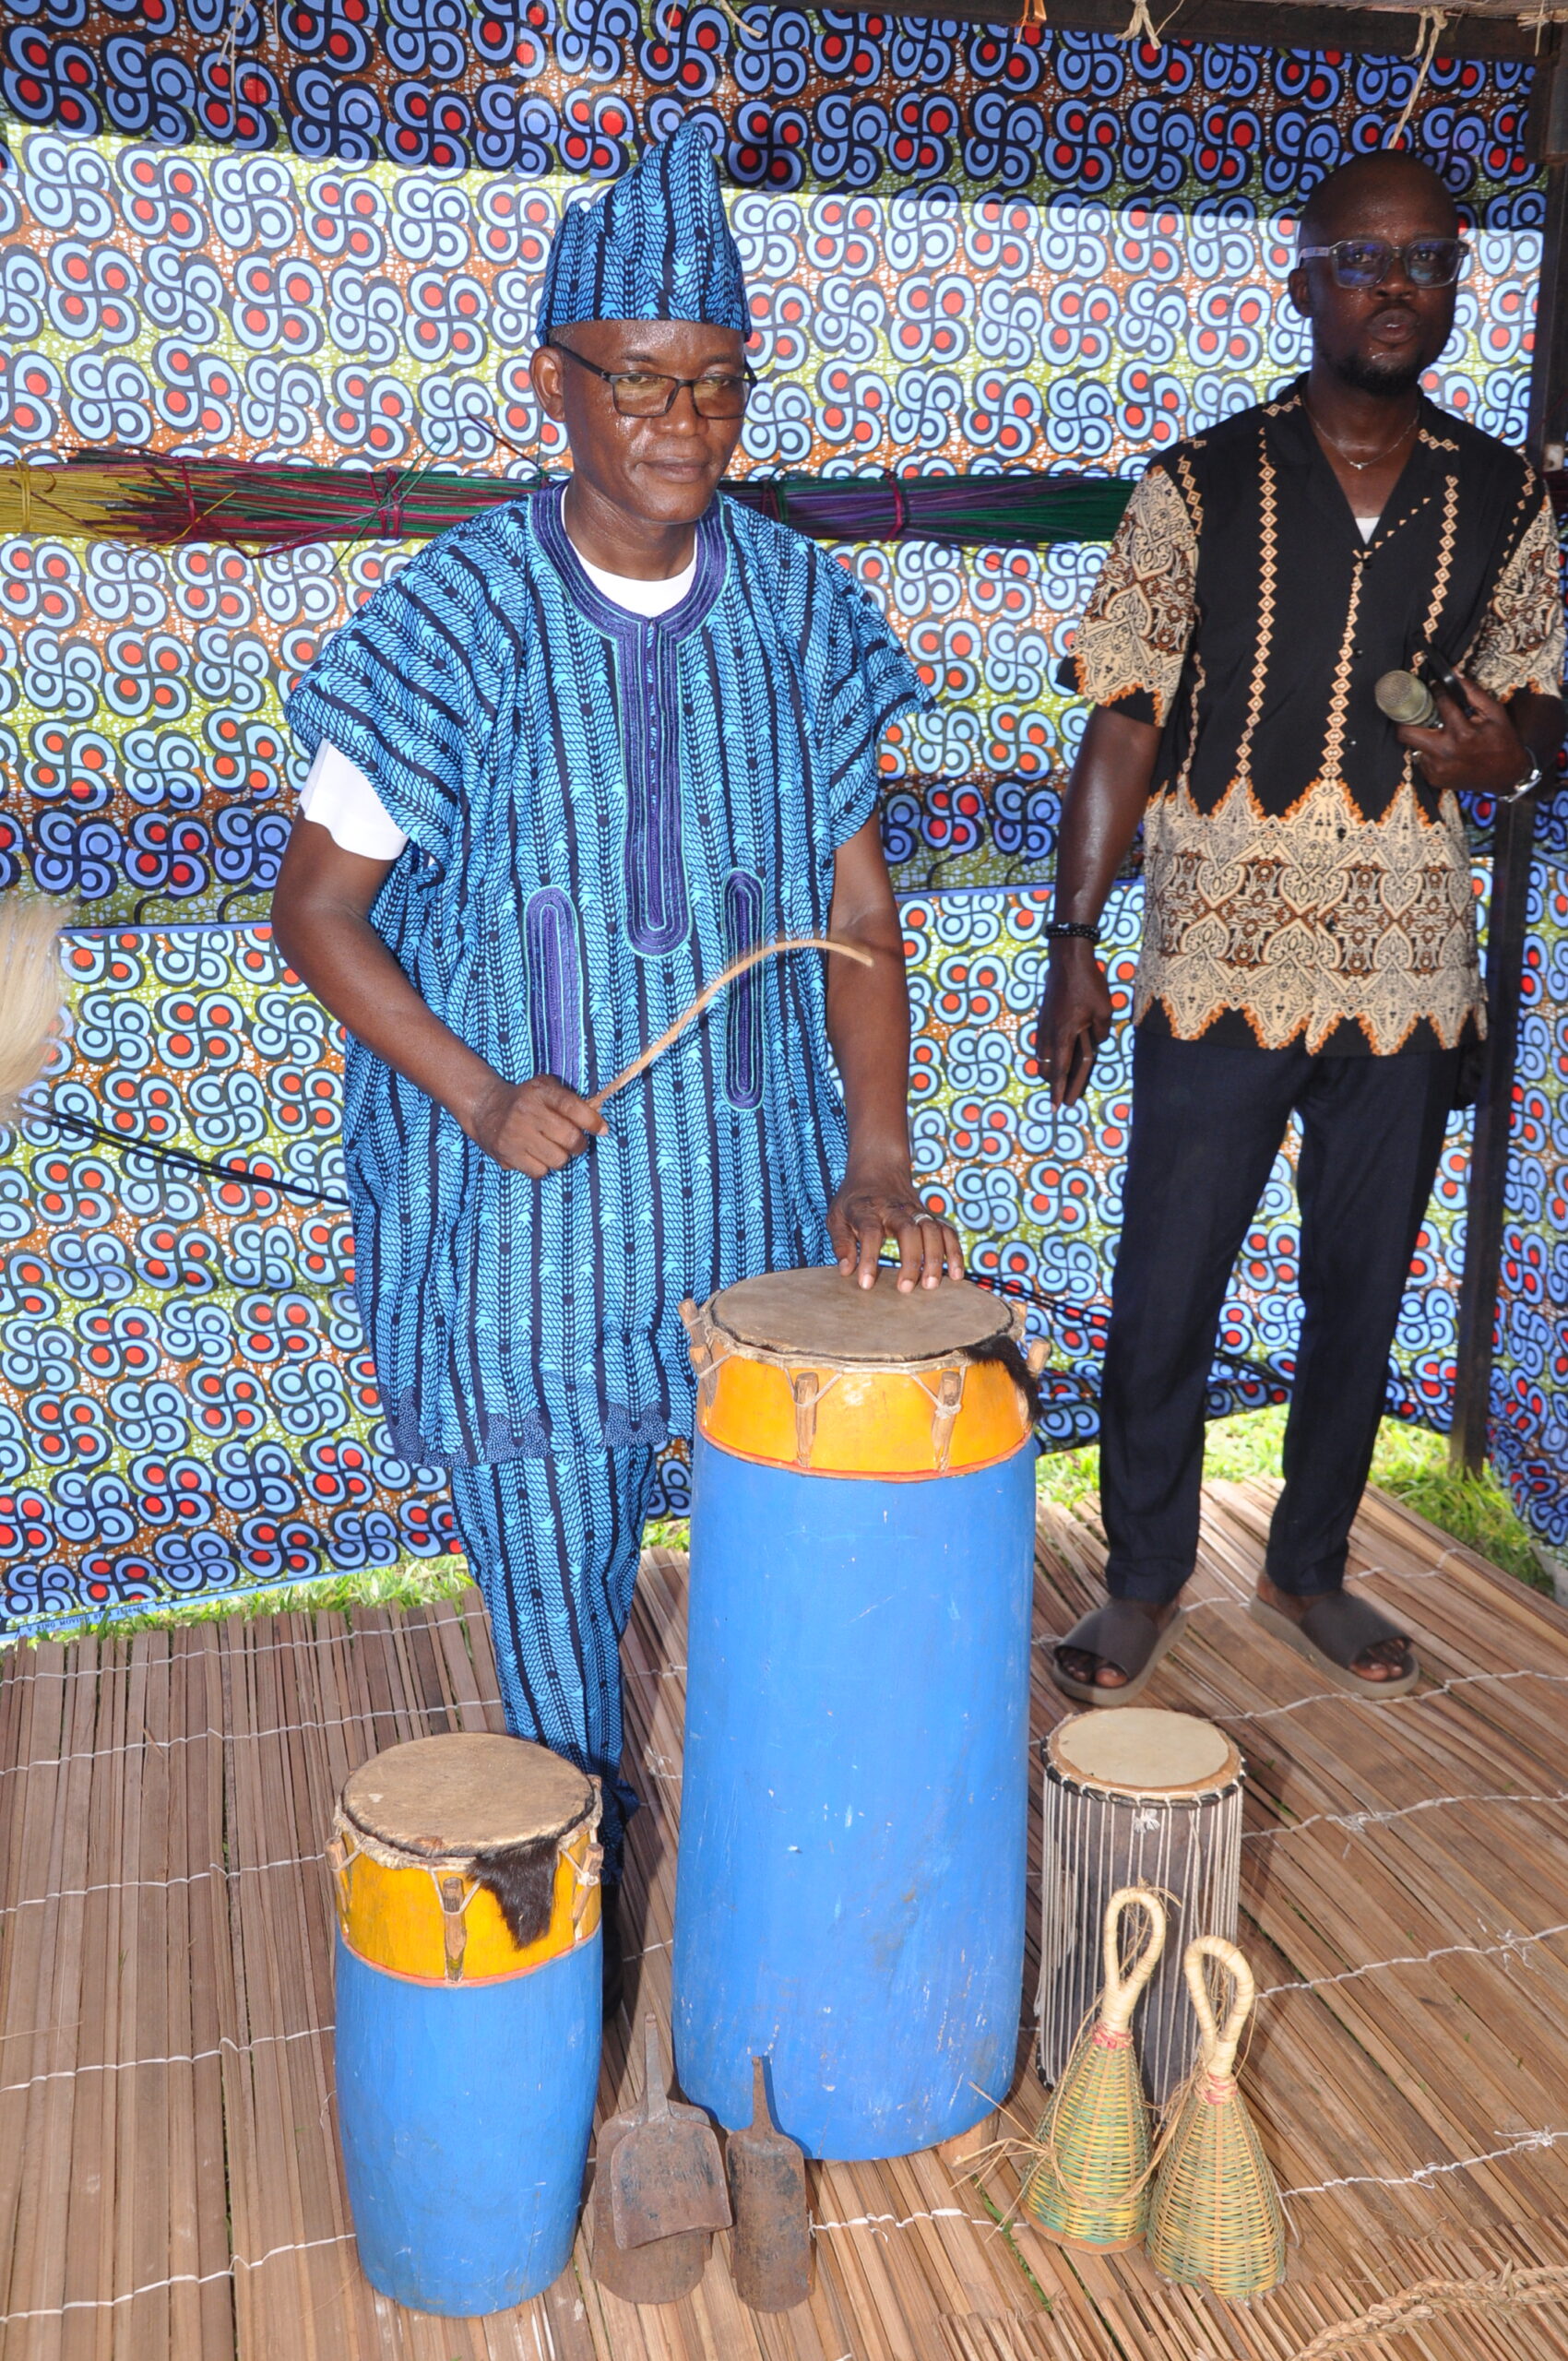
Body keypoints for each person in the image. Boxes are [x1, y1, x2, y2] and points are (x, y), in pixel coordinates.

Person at [272, 123, 962, 2000]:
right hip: (532, 1211)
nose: (682, 421)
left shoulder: (800, 612)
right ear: (552, 387)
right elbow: (318, 912)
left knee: (782, 1575)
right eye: (639, 379)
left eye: (715, 382)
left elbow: (856, 908)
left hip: (750, 1187)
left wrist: (876, 1157)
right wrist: (479, 1092)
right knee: (558, 1611)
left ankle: (778, 1919)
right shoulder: (455, 618)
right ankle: (565, 1943)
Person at [1035, 151, 1565, 1703]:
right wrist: (1074, 941)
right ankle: (1142, 1575)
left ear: (1458, 285)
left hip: (1408, 961)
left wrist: (1519, 750)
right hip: (1219, 948)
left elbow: (1537, 686)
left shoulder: (1507, 497)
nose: (1396, 285)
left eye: (1428, 260)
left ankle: (1312, 1562)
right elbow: (1123, 718)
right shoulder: (1196, 485)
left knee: (1363, 1279)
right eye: (1363, 258)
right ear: (1302, 282)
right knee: (1170, 1274)